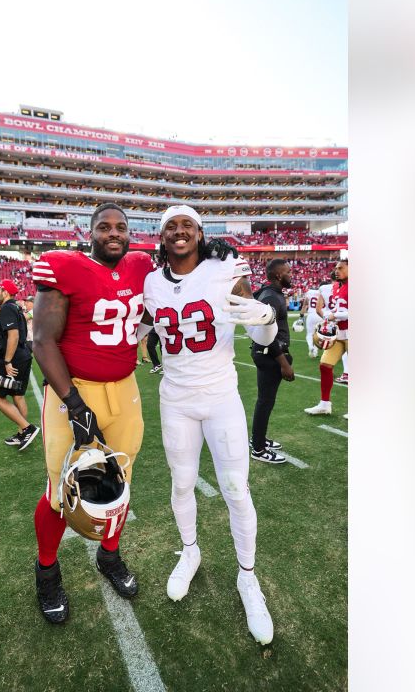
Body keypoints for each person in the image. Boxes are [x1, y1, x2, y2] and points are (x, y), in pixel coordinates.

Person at [143, 204, 279, 645]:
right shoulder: (150, 282)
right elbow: (142, 330)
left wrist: (268, 321)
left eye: (187, 225)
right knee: (181, 483)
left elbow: (258, 330)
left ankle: (247, 577)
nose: (179, 231)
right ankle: (190, 551)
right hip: (176, 399)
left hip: (221, 398)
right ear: (161, 237)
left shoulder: (226, 268)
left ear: (200, 232)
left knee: (236, 489)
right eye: (171, 226)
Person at [29, 202, 154, 624]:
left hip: (125, 389)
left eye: (121, 226)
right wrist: (74, 404)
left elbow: (180, 270)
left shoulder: (140, 265)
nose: (113, 233)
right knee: (62, 489)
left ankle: (109, 555)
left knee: (118, 482)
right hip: (75, 391)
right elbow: (42, 340)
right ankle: (47, 572)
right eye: (104, 227)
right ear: (90, 232)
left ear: (129, 233)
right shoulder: (63, 266)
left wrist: (214, 252)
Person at [249, 259, 293, 464]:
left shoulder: (269, 293)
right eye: (288, 272)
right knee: (265, 401)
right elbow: (269, 335)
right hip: (269, 354)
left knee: (265, 401)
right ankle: (258, 448)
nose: (291, 275)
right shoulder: (271, 298)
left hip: (266, 352)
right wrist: (284, 363)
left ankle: (259, 439)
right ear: (278, 275)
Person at [0, 280, 39, 449]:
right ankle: (22, 434)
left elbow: (14, 336)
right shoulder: (16, 307)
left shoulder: (7, 308)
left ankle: (27, 429)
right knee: (18, 396)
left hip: (15, 358)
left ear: (6, 292)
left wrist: (7, 361)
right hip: (24, 355)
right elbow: (9, 333)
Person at [305, 257, 350, 417]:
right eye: (336, 268)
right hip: (340, 333)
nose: (336, 271)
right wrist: (328, 317)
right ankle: (325, 404)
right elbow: (336, 309)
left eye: (341, 268)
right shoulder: (337, 286)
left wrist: (333, 315)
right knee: (325, 365)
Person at [304, 286, 323, 358]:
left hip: (311, 315)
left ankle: (310, 346)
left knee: (309, 334)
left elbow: (304, 305)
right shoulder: (322, 293)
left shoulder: (309, 293)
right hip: (320, 314)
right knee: (318, 335)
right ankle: (315, 352)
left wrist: (301, 315)